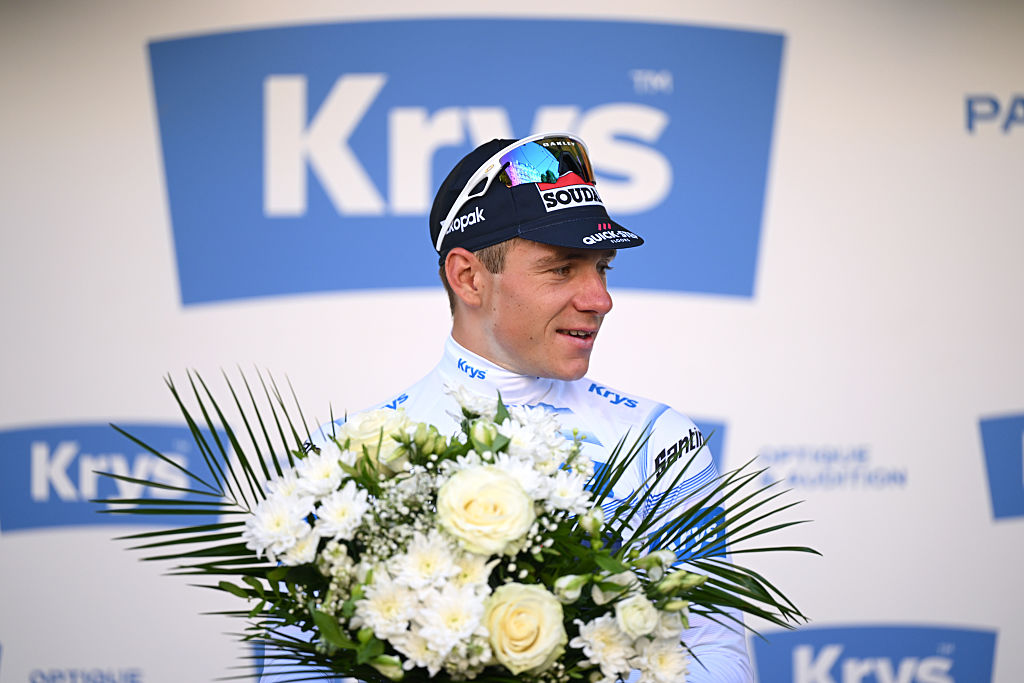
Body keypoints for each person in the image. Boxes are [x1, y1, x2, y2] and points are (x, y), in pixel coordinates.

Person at [263, 134, 753, 682]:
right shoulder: (345, 459)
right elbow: (296, 670)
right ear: (468, 277)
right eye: (563, 269)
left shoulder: (658, 439)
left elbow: (714, 648)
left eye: (603, 268)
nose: (600, 299)